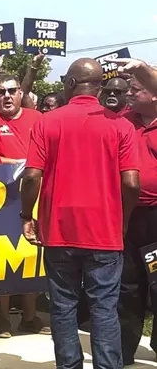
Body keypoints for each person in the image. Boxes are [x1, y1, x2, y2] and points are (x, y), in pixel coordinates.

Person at [21, 58, 140, 369]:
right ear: (100, 86)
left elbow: (31, 176)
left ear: (70, 84)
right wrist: (123, 219)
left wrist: (25, 215)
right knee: (104, 308)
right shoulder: (121, 125)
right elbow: (131, 182)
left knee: (62, 307)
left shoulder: (47, 122)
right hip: (104, 230)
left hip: (59, 230)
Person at [0, 74, 49, 338]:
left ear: (21, 94)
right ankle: (3, 319)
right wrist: (24, 164)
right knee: (2, 260)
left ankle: (30, 317)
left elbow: (47, 151)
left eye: (12, 91)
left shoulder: (38, 118)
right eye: (1, 91)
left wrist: (27, 167)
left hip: (35, 195)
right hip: (0, 198)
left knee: (32, 256)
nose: (6, 96)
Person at [116, 68, 157, 364]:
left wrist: (141, 67)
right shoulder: (124, 121)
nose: (128, 93)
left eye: (136, 88)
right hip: (128, 214)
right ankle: (123, 349)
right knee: (128, 284)